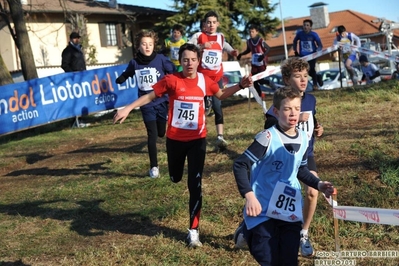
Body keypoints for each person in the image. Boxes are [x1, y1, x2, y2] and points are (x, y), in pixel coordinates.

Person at [113, 43, 252, 248]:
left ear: (198, 61)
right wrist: (128, 108)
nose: (190, 64)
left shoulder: (205, 81)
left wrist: (240, 85)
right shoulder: (171, 80)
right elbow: (150, 96)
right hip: (175, 141)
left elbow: (220, 94)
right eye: (185, 59)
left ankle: (193, 231)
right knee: (175, 177)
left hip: (198, 140)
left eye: (193, 60)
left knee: (194, 185)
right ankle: (174, 175)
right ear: (180, 61)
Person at [232, 85, 334, 265]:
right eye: (287, 109)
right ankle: (247, 231)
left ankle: (248, 232)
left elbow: (300, 169)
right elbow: (240, 164)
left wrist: (318, 184)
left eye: (297, 109)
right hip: (262, 209)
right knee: (269, 259)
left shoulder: (303, 138)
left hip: (289, 209)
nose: (293, 114)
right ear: (277, 112)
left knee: (288, 260)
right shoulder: (267, 138)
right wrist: (249, 196)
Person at [115, 29, 176, 178]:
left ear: (154, 45)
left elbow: (172, 72)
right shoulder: (134, 63)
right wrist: (121, 79)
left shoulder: (161, 59)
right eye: (144, 44)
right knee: (152, 135)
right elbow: (128, 72)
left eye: (150, 44)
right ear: (138, 46)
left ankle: (162, 130)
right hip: (145, 104)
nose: (147, 47)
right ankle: (154, 167)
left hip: (161, 101)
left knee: (162, 132)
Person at [188, 11, 239, 150]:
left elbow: (226, 46)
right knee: (200, 108)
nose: (211, 25)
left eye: (213, 22)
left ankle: (220, 137)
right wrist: (201, 47)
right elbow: (187, 48)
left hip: (216, 79)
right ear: (204, 24)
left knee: (218, 106)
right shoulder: (198, 36)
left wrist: (232, 52)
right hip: (201, 79)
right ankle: (198, 135)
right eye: (208, 22)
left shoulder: (220, 37)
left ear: (218, 24)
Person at [61, 31, 87, 128]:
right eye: (75, 38)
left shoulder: (79, 49)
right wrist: (72, 74)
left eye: (78, 38)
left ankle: (81, 119)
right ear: (71, 39)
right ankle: (74, 120)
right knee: (75, 100)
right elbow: (64, 65)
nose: (77, 39)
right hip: (73, 79)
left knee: (82, 99)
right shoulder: (67, 51)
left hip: (82, 78)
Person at [237, 24, 270, 97]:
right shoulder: (249, 41)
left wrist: (262, 56)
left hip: (261, 63)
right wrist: (241, 54)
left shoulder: (260, 40)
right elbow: (248, 50)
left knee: (260, 80)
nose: (251, 33)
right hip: (254, 63)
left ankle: (269, 82)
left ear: (256, 32)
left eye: (252, 32)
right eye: (250, 32)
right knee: (253, 80)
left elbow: (268, 48)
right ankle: (259, 96)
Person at [293, 19, 323, 91]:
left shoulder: (314, 34)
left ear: (310, 27)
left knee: (312, 69)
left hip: (312, 55)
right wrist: (296, 51)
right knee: (306, 71)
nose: (305, 27)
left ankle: (315, 85)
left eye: (307, 25)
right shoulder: (299, 34)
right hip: (303, 56)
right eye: (304, 25)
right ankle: (317, 77)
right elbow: (294, 41)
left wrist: (317, 51)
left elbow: (320, 45)